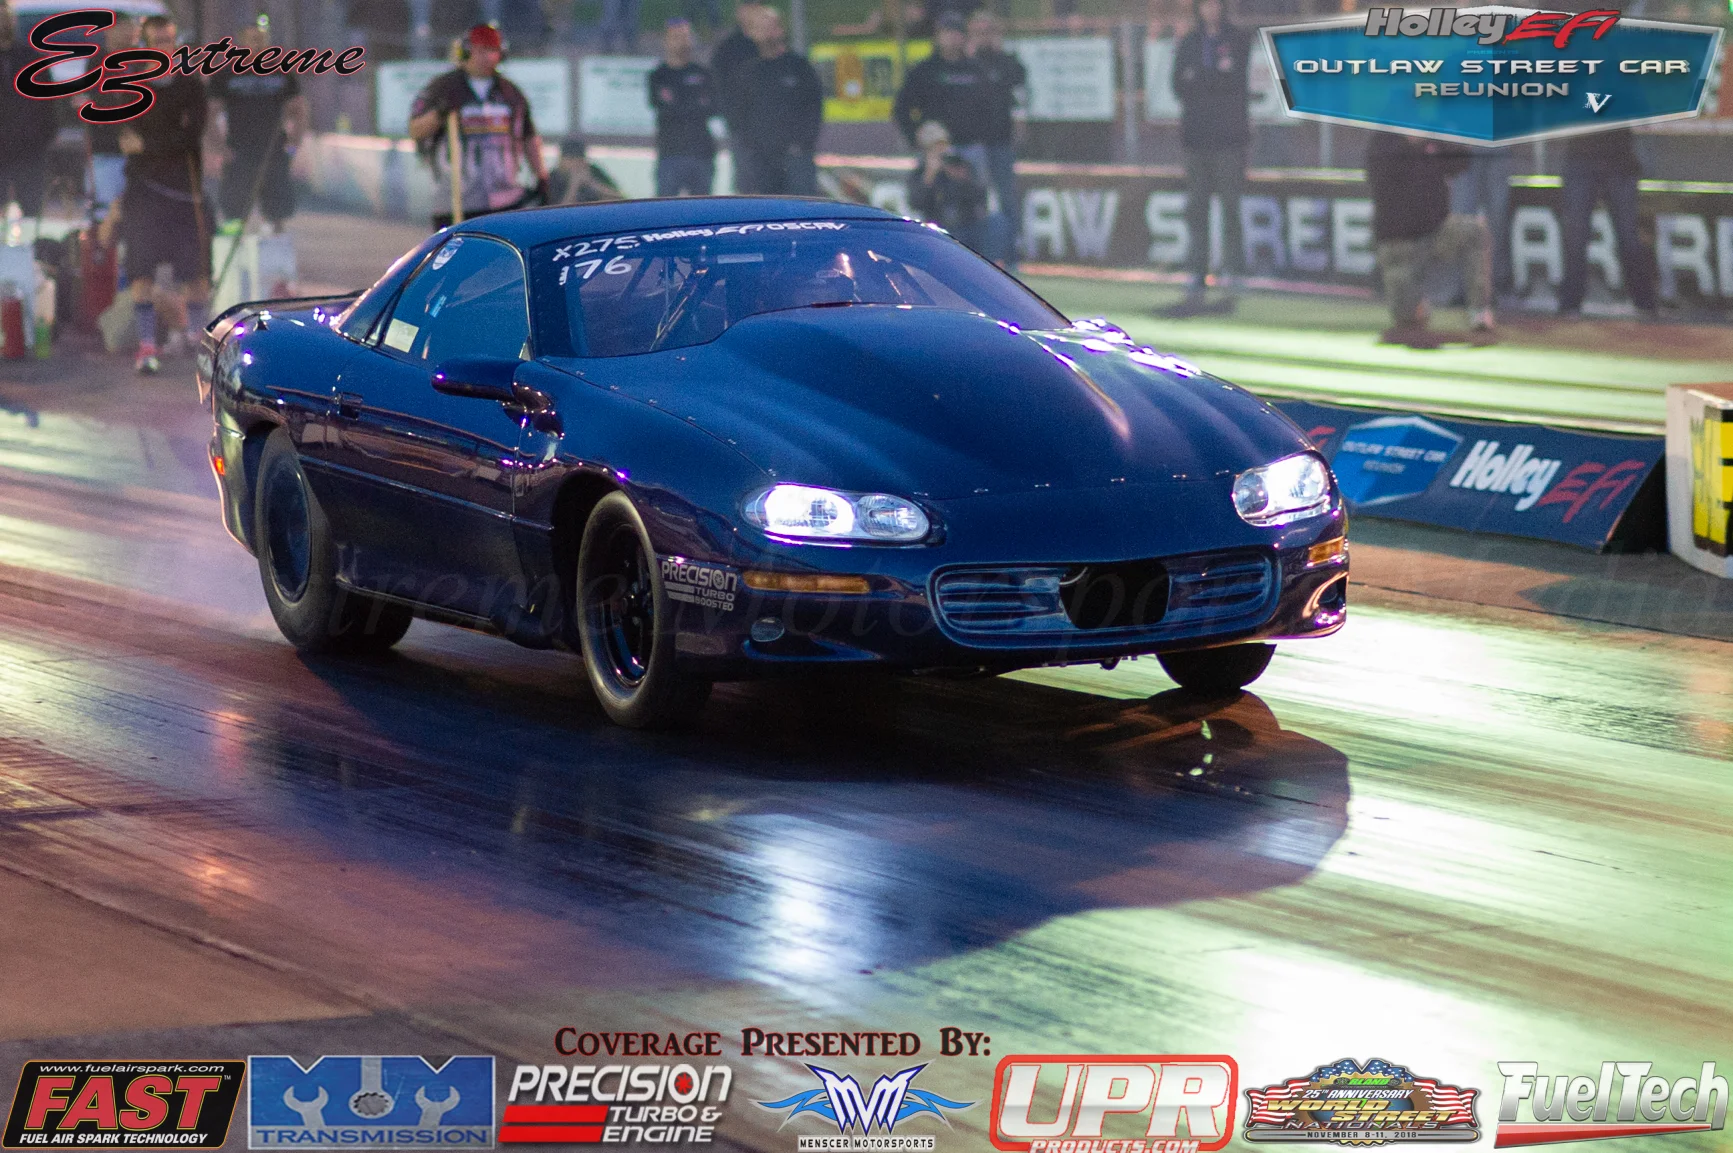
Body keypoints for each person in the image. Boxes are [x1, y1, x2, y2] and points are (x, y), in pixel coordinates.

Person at [114, 14, 212, 374]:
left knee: (195, 274)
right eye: (157, 42)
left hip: (185, 192)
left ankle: (197, 341)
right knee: (141, 271)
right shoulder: (132, 84)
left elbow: (190, 136)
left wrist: (149, 145)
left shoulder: (190, 86)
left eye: (169, 41)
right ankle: (147, 346)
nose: (164, 48)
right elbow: (125, 134)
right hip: (143, 192)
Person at [408, 24, 550, 231]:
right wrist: (439, 114)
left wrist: (541, 176)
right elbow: (416, 130)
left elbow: (528, 137)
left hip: (505, 201)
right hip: (455, 201)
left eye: (492, 51)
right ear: (465, 52)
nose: (487, 58)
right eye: (480, 51)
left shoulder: (511, 94)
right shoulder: (442, 88)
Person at [1366, 133, 1495, 349]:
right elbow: (1382, 181)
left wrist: (1443, 138)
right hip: (1400, 243)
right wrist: (1413, 147)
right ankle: (1415, 305)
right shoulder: (1383, 143)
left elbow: (1461, 162)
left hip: (1436, 233)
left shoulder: (1432, 138)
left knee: (1474, 231)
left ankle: (1479, 312)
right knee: (1408, 320)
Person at [1169, 0, 1250, 315]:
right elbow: (1178, 84)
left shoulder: (1237, 39)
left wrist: (1201, 79)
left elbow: (1233, 81)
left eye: (1215, 4)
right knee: (1197, 209)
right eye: (1205, 4)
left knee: (1230, 207)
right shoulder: (1190, 42)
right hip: (1196, 139)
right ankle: (1197, 272)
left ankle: (1234, 272)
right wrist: (1210, 79)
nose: (1210, 9)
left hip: (1229, 140)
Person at [208, 17, 309, 233]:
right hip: (239, 152)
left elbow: (299, 110)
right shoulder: (226, 74)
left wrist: (293, 144)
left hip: (273, 152)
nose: (258, 45)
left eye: (262, 40)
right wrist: (219, 148)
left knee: (276, 212)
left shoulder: (281, 73)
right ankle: (234, 247)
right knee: (234, 212)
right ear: (242, 43)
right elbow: (210, 114)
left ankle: (274, 244)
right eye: (252, 39)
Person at [1557, 128, 1657, 320]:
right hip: (1583, 156)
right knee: (1576, 236)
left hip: (1618, 157)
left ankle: (1644, 302)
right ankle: (1570, 303)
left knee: (1628, 236)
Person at [732, 9, 822, 195]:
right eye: (761, 28)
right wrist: (752, 148)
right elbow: (740, 114)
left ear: (781, 30)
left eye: (770, 27)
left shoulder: (799, 67)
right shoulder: (749, 72)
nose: (766, 33)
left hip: (796, 157)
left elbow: (814, 107)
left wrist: (802, 143)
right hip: (762, 160)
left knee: (801, 206)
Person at [967, 11, 1023, 264]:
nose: (984, 37)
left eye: (987, 31)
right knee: (974, 199)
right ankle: (979, 255)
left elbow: (1019, 91)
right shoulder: (966, 65)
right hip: (972, 144)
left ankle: (1011, 255)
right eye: (978, 32)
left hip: (1000, 142)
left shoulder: (1007, 63)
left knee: (1007, 199)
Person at [0, 1, 62, 227]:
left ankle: (30, 248)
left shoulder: (31, 59)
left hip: (29, 149)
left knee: (31, 212)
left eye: (7, 18)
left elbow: (48, 100)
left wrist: (45, 135)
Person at [892, 12, 982, 152]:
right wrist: (914, 135)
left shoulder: (976, 70)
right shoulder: (923, 71)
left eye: (957, 32)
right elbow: (901, 108)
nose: (952, 37)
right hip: (935, 147)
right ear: (937, 36)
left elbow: (989, 107)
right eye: (947, 32)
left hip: (972, 146)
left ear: (964, 37)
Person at [649, 19, 717, 196]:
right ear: (666, 41)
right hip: (670, 152)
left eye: (686, 37)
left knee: (702, 206)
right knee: (666, 206)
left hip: (701, 152)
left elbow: (712, 107)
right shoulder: (658, 76)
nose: (682, 42)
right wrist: (693, 104)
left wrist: (680, 104)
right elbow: (662, 106)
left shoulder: (703, 73)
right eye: (676, 37)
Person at [82, 15, 139, 225]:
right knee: (104, 212)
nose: (128, 33)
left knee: (134, 211)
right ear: (108, 31)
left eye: (131, 28)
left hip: (140, 150)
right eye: (122, 28)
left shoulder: (141, 61)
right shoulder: (97, 62)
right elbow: (95, 100)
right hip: (105, 148)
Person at [906, 121, 987, 250]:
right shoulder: (921, 173)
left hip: (966, 223)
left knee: (996, 222)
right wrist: (929, 177)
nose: (941, 150)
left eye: (943, 145)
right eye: (935, 147)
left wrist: (960, 179)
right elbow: (916, 203)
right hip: (937, 225)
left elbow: (979, 197)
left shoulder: (959, 163)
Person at [712, 1, 769, 158]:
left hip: (776, 129)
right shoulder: (728, 49)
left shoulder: (774, 45)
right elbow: (719, 86)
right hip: (743, 130)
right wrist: (734, 120)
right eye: (748, 6)